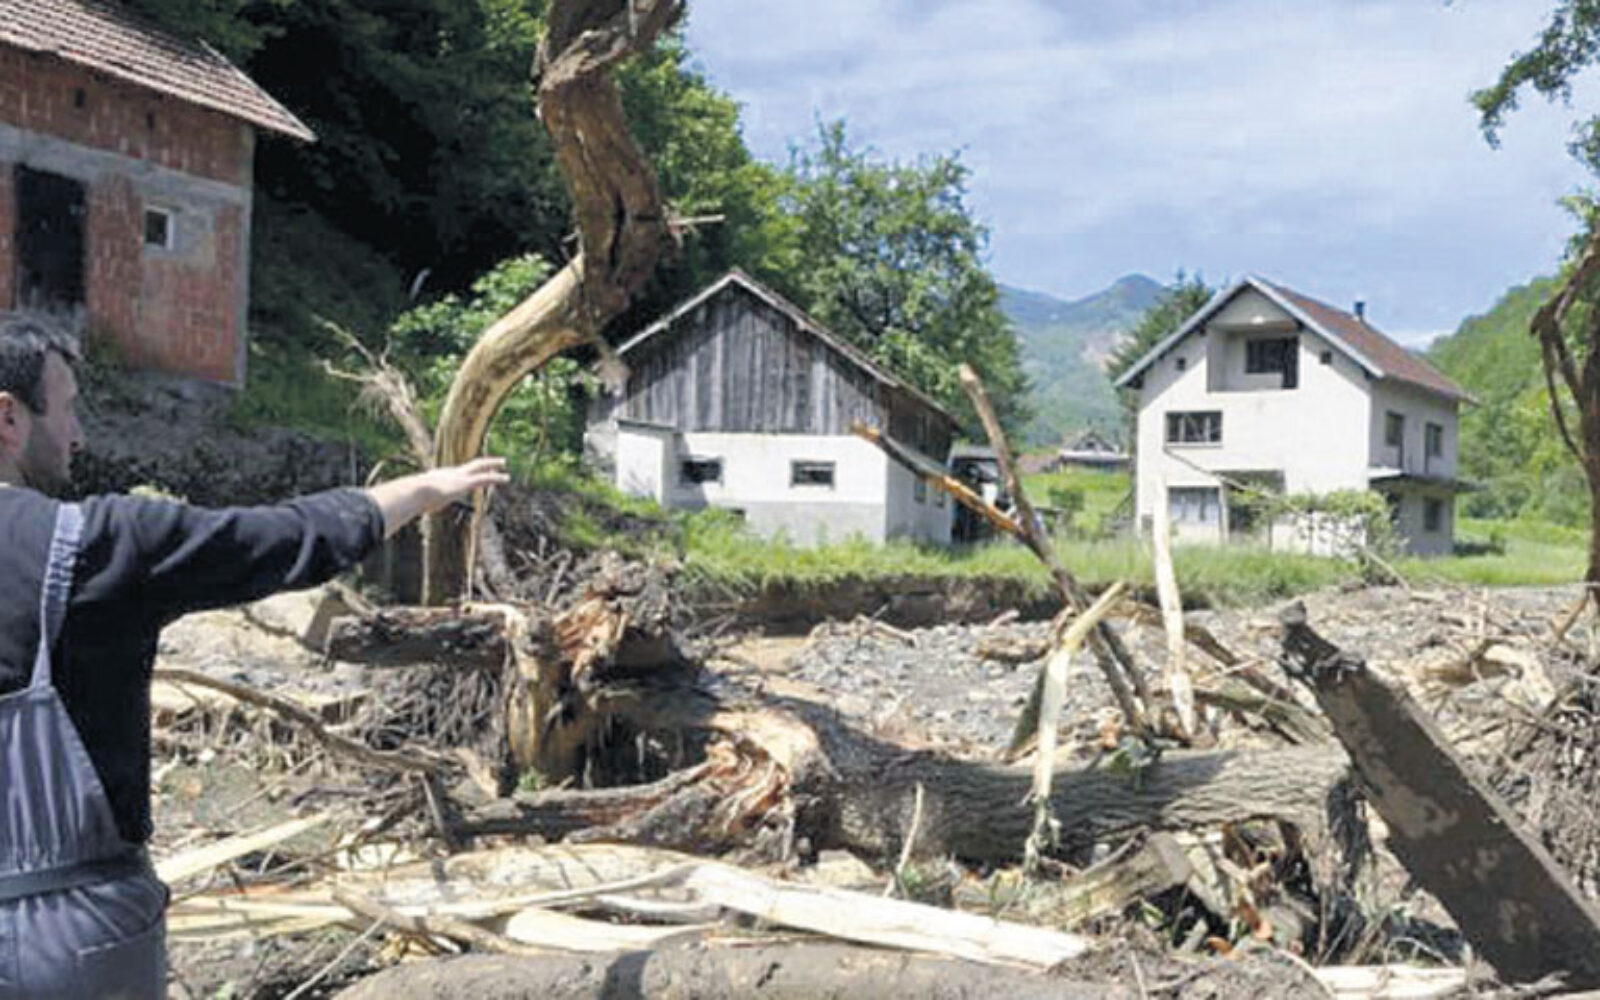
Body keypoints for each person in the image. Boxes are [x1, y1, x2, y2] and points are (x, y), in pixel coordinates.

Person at [0, 315, 508, 999]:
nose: (78, 434)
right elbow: (285, 538)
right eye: (66, 409)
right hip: (71, 938)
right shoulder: (96, 544)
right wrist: (419, 491)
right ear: (8, 417)